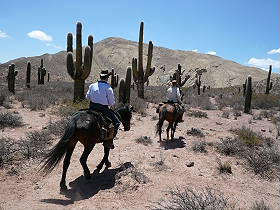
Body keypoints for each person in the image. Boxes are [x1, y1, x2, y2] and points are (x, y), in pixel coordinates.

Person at [86, 70, 121, 139]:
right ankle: (109, 139)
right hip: (103, 109)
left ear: (100, 77)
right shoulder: (108, 88)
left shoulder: (92, 85)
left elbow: (87, 97)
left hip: (92, 107)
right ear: (107, 78)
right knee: (117, 122)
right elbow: (111, 102)